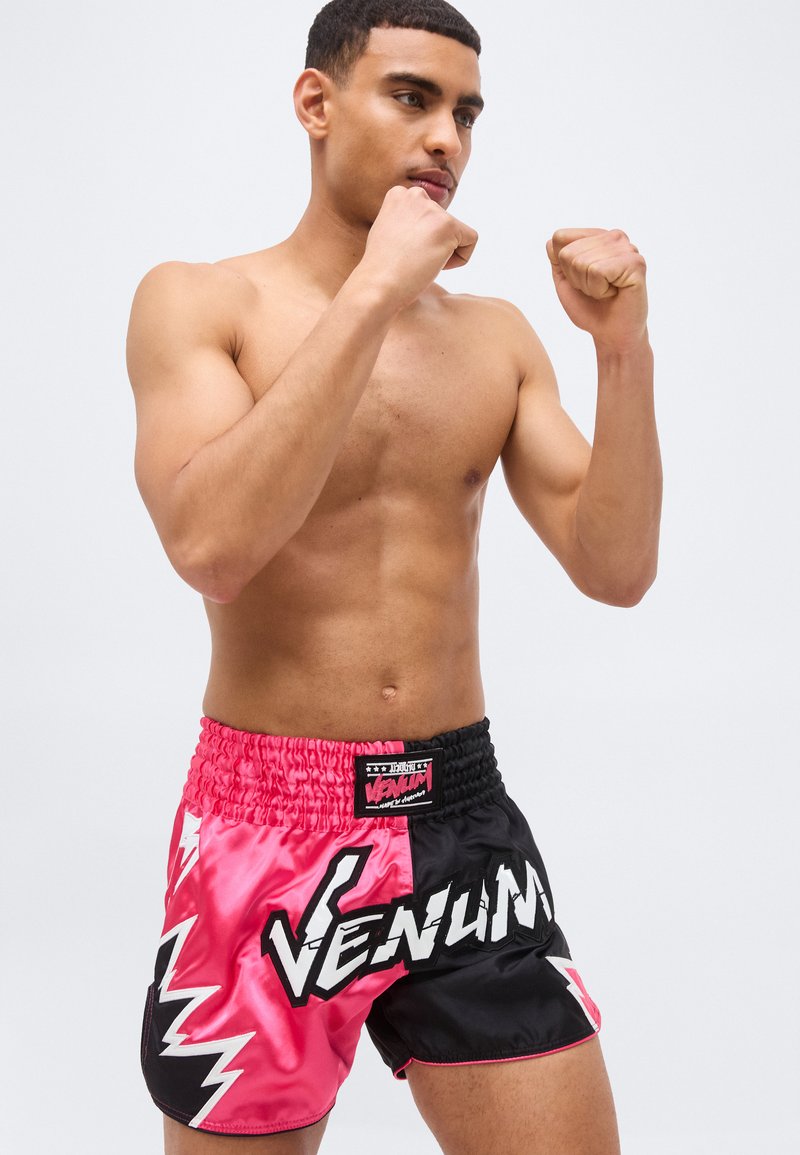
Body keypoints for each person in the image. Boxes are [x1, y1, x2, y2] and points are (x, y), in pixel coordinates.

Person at [126, 1, 661, 1151]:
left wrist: (619, 350)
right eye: (411, 98)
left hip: (461, 826)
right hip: (263, 837)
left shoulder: (493, 338)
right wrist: (373, 290)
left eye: (465, 114)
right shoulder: (199, 302)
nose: (444, 139)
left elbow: (615, 569)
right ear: (315, 103)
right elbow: (212, 548)